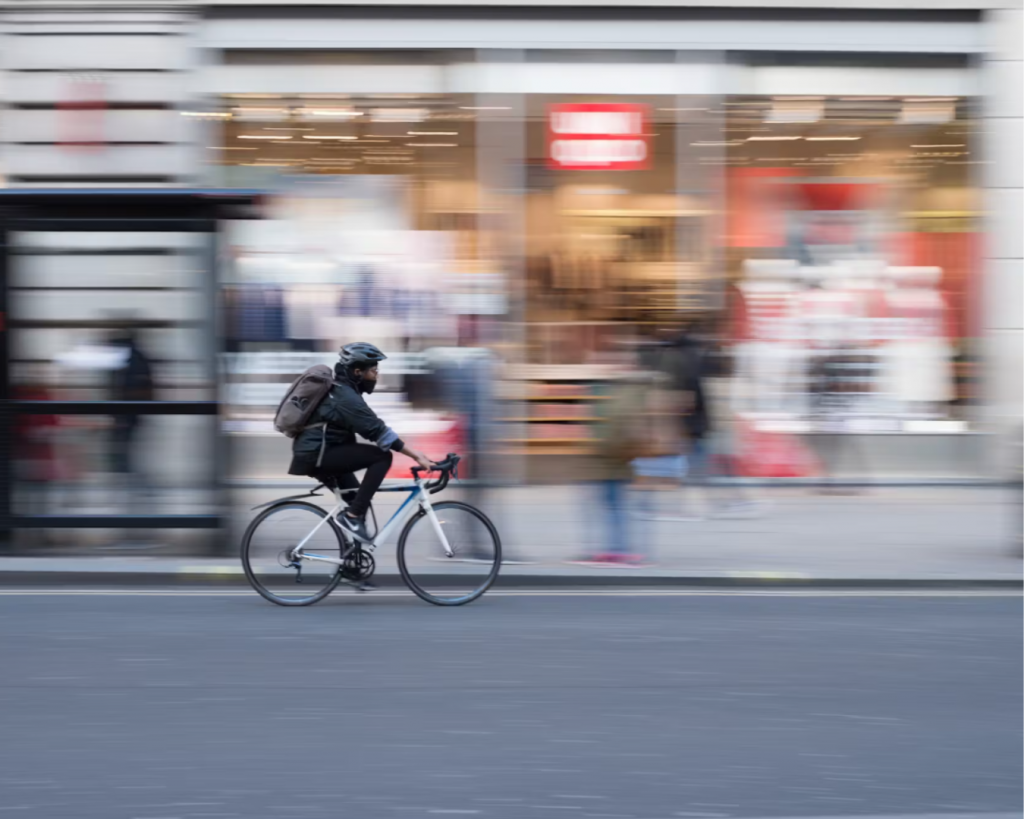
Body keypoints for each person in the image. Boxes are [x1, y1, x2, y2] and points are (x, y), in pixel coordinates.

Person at [288, 342, 436, 540]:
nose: (377, 373)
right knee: (381, 457)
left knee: (358, 500)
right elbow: (377, 431)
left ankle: (352, 562)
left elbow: (371, 428)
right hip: (317, 454)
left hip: (320, 452)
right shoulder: (344, 396)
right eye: (374, 369)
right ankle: (352, 517)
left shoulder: (344, 391)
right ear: (358, 371)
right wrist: (416, 455)